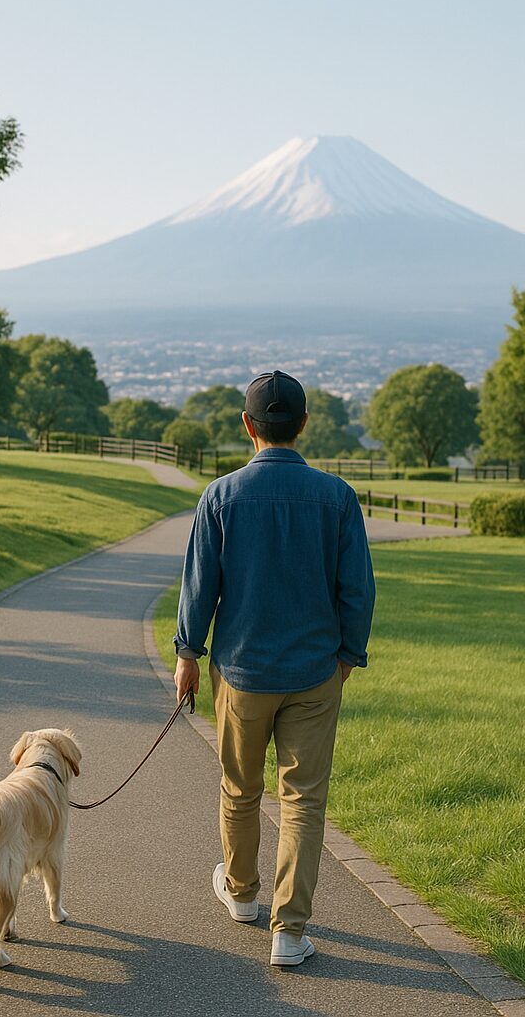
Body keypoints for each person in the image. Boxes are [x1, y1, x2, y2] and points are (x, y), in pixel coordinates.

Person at [173, 370, 375, 967]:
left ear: (248, 426)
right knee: (303, 801)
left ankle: (241, 894)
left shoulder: (221, 496)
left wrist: (188, 654)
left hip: (241, 672)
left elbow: (199, 584)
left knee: (240, 788)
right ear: (304, 425)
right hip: (316, 672)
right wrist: (347, 658)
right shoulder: (337, 496)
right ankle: (290, 931)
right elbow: (357, 589)